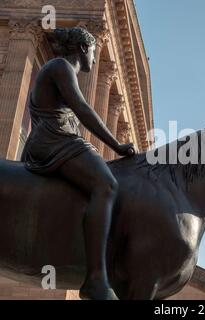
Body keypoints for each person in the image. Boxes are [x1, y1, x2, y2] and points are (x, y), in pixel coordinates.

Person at [21, 27, 135, 300]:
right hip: (53, 142)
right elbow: (83, 108)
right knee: (106, 185)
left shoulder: (61, 69)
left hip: (53, 141)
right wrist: (116, 145)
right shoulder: (61, 66)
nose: (95, 59)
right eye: (95, 52)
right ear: (84, 48)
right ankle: (95, 278)